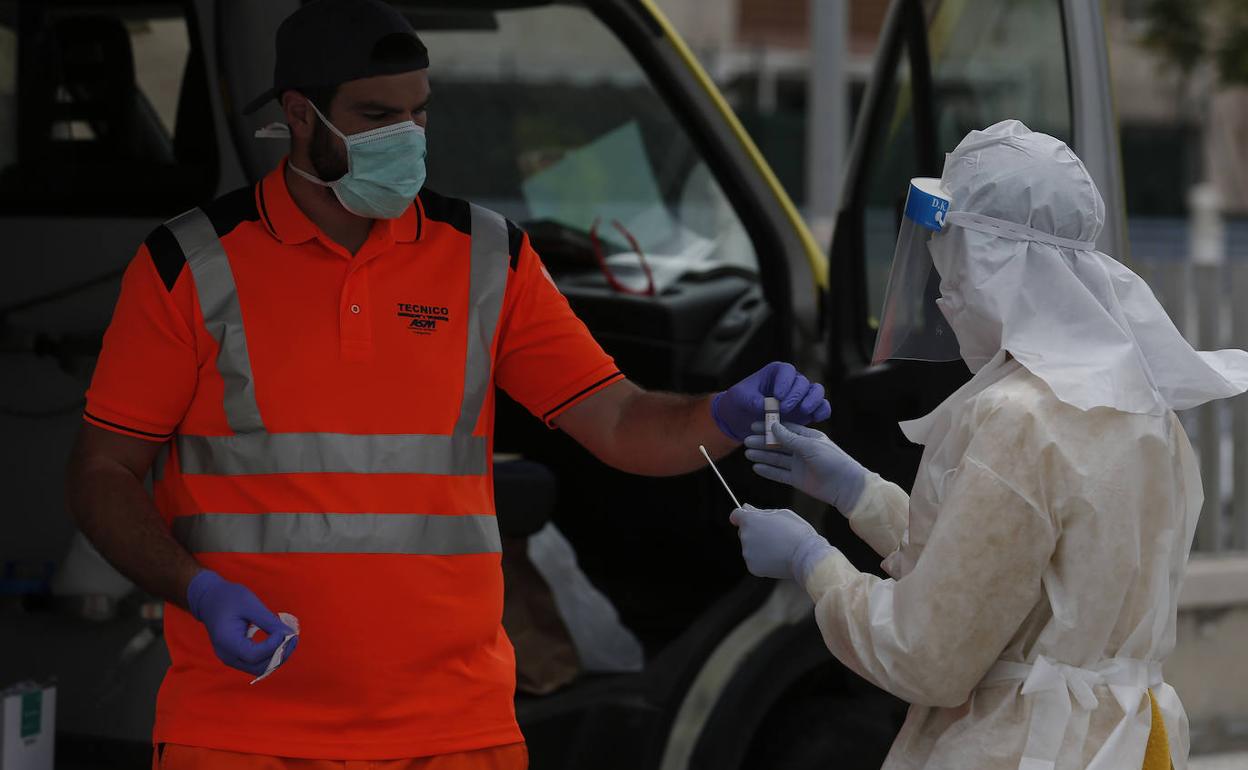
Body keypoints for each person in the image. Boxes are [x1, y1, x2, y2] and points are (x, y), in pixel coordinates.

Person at [63, 1, 831, 767]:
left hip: (454, 733)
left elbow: (623, 420)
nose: (406, 137)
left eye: (418, 113)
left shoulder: (486, 259)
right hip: (242, 732)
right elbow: (104, 473)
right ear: (299, 115)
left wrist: (727, 413)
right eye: (375, 115)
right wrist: (196, 589)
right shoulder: (189, 268)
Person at [730, 120, 1248, 770]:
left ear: (1000, 271)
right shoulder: (1140, 402)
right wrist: (857, 491)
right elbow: (995, 570)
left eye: (956, 276)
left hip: (1020, 747)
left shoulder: (1018, 419)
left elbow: (929, 654)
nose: (946, 300)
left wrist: (813, 563)